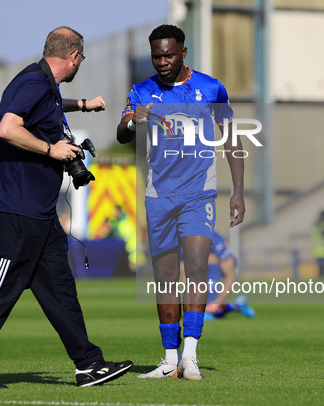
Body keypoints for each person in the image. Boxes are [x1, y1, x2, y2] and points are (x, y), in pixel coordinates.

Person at [0, 26, 132, 389]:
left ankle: (88, 365)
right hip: (16, 208)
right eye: (81, 58)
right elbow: (7, 128)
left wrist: (83, 104)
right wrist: (52, 149)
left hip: (39, 212)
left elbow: (47, 106)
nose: (81, 63)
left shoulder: (42, 87)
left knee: (60, 288)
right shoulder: (34, 83)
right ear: (74, 57)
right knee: (0, 288)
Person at [116, 24, 245, 380]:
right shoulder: (142, 90)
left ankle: (191, 354)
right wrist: (131, 122)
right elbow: (121, 131)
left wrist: (238, 191)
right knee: (166, 277)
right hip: (159, 195)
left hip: (199, 192)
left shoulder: (209, 87)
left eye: (168, 55)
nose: (162, 62)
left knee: (198, 267)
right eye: (156, 56)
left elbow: (232, 139)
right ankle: (170, 359)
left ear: (183, 52)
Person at [202, 232, 255, 321]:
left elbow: (231, 276)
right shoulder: (180, 241)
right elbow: (184, 273)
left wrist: (217, 302)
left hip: (215, 265)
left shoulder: (215, 241)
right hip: (197, 270)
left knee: (211, 259)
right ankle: (238, 306)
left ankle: (210, 305)